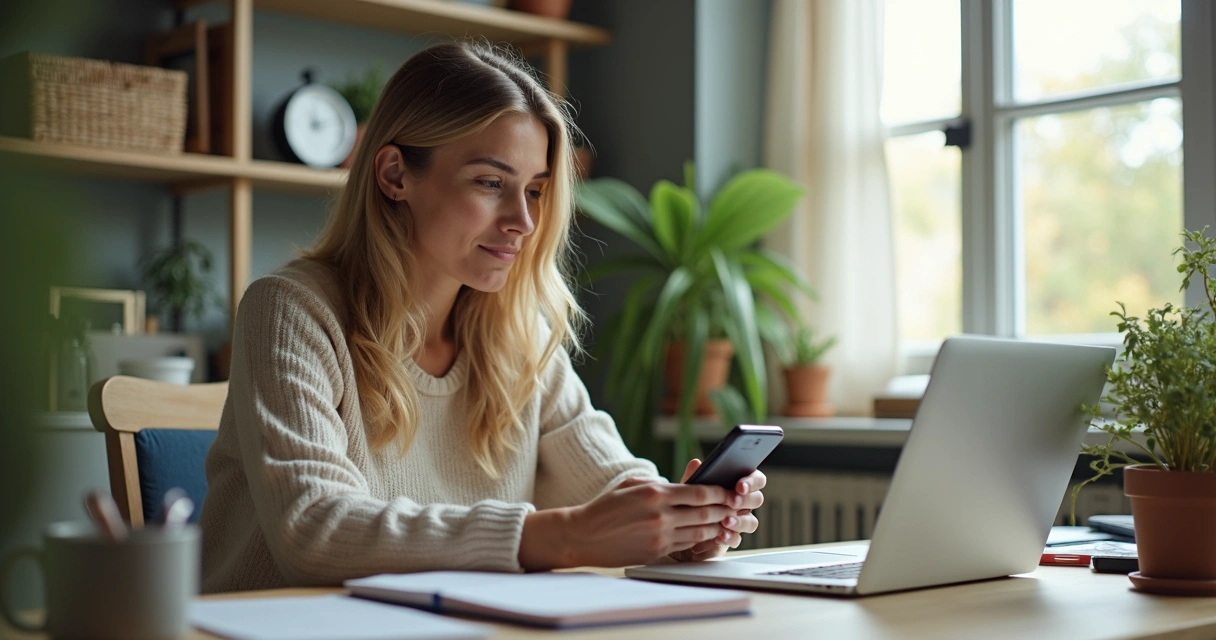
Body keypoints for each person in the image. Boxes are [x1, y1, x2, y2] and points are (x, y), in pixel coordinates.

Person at [198, 40, 766, 593]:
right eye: (491, 183)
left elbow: (608, 476)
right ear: (395, 175)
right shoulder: (289, 311)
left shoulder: (519, 334)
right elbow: (314, 530)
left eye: (537, 191)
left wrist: (674, 522)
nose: (523, 220)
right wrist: (563, 536)